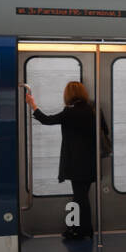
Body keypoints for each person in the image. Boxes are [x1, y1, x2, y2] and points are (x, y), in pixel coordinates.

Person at [26, 81, 100, 240]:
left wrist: (33, 105)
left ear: (68, 95)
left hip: (76, 162)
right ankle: (81, 229)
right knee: (82, 196)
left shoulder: (70, 112)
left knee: (79, 197)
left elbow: (47, 120)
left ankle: (81, 230)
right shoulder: (91, 109)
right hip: (91, 161)